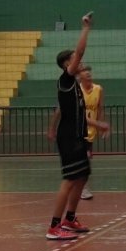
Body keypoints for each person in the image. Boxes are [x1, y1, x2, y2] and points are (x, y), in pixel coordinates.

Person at [46, 12, 109, 240]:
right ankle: (54, 226)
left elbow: (79, 114)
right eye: (74, 59)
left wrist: (97, 124)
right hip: (69, 137)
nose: (79, 60)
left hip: (78, 134)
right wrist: (86, 28)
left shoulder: (76, 87)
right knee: (70, 179)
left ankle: (70, 218)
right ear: (67, 64)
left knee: (82, 175)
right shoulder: (66, 79)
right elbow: (80, 51)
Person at [47, 65, 107, 200]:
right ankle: (81, 188)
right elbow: (60, 109)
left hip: (91, 130)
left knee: (87, 160)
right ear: (80, 78)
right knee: (84, 161)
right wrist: (52, 128)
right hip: (78, 130)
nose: (89, 76)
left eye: (90, 74)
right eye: (86, 75)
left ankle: (78, 187)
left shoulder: (98, 89)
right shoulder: (75, 90)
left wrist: (100, 124)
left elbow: (100, 108)